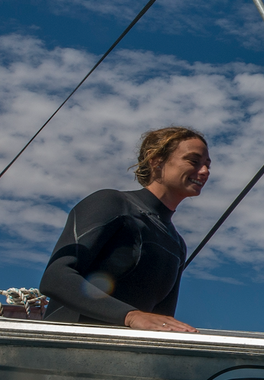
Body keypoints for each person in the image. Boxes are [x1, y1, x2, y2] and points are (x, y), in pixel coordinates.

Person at [39, 126, 209, 332]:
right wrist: (130, 316)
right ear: (156, 160)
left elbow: (161, 321)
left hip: (121, 358)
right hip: (61, 352)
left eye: (207, 165)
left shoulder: (176, 243)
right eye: (193, 161)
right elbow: (55, 278)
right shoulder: (112, 203)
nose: (204, 171)